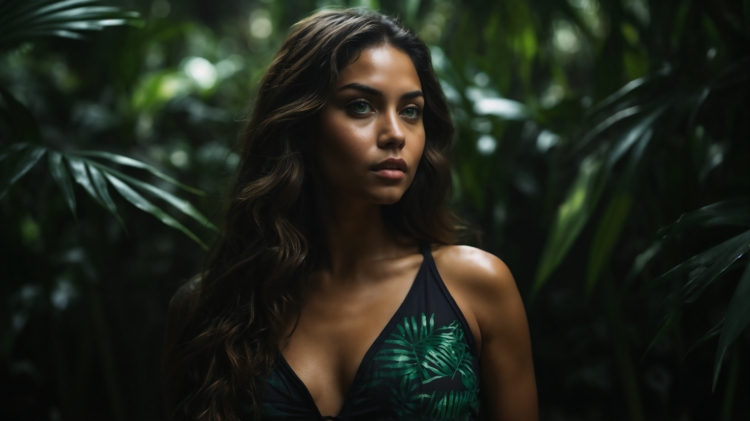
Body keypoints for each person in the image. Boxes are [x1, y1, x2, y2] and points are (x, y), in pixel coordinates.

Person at [162, 8, 537, 421]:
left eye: (411, 110)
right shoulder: (208, 307)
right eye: (361, 106)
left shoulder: (476, 286)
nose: (395, 133)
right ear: (301, 123)